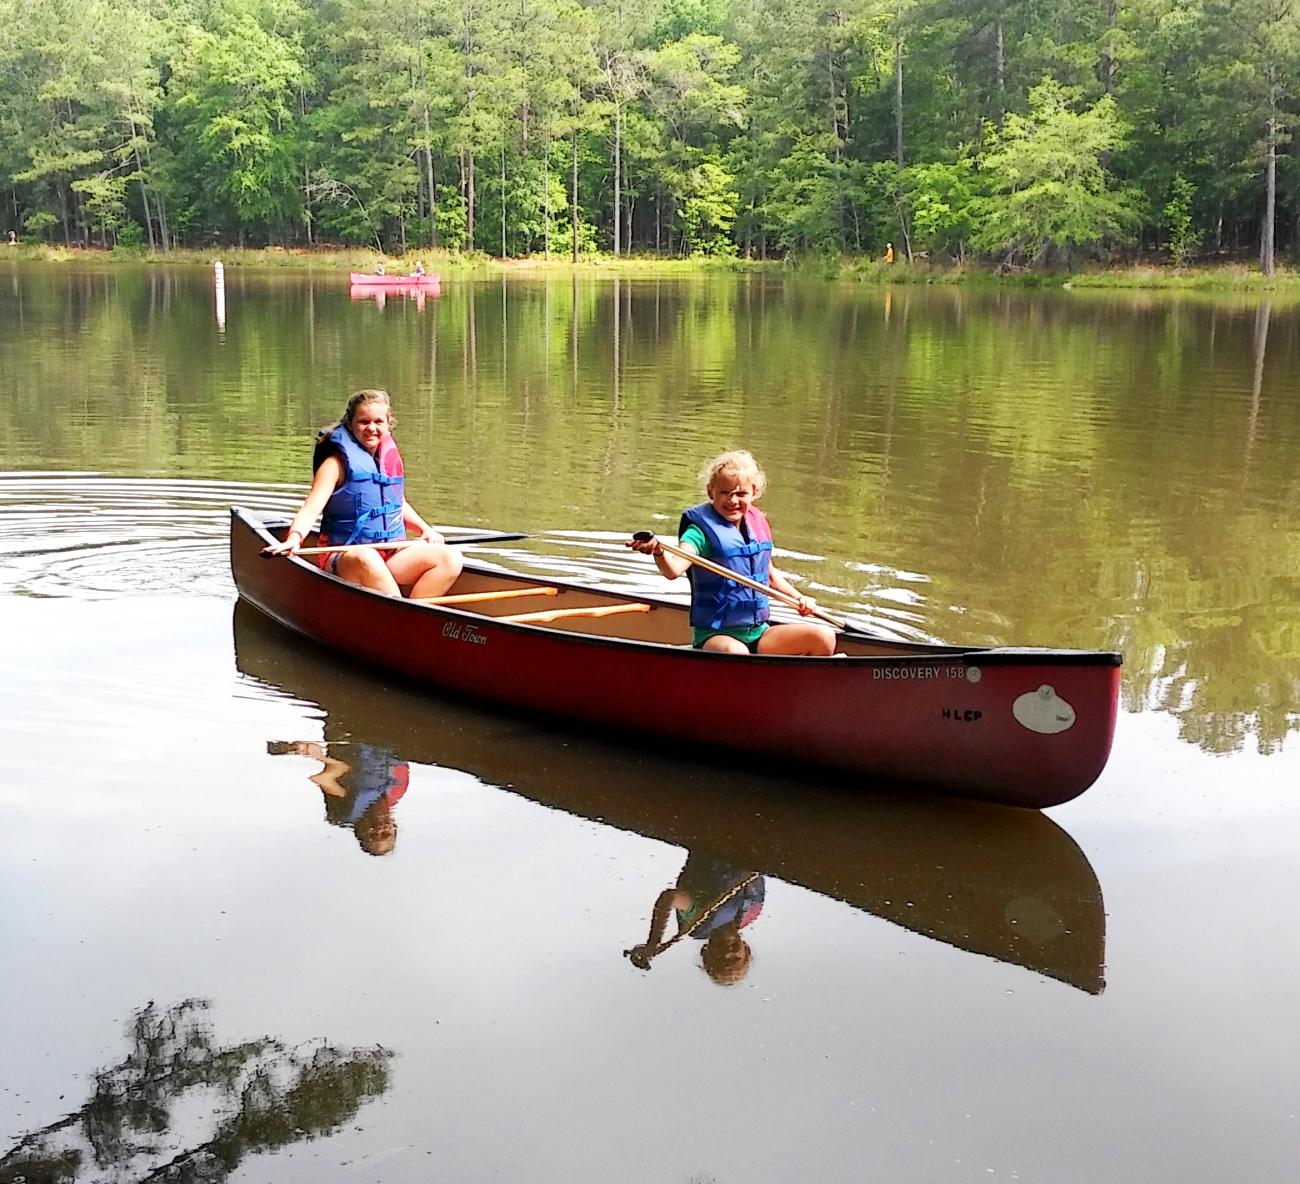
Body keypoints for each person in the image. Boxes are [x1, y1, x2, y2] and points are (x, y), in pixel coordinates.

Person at [627, 450, 835, 656]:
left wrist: (801, 599)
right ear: (711, 492)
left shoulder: (756, 524)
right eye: (724, 493)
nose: (733, 500)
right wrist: (658, 551)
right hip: (716, 636)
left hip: (759, 633)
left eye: (741, 494)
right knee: (736, 653)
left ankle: (791, 685)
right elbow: (673, 570)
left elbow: (770, 576)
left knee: (824, 636)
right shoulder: (699, 532)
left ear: (754, 493)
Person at [262, 388, 462, 599]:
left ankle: (417, 615)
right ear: (350, 424)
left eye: (378, 422)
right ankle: (401, 617)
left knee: (450, 558)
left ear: (388, 424)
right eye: (363, 422)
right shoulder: (335, 464)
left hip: (390, 552)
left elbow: (396, 502)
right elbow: (311, 508)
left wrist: (425, 530)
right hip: (346, 556)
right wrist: (295, 538)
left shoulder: (385, 461)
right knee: (366, 556)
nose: (371, 428)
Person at [625, 853, 766, 985]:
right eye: (735, 958)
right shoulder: (752, 912)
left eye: (720, 958)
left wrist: (654, 941)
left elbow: (670, 897)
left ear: (706, 950)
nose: (727, 953)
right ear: (746, 950)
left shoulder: (697, 920)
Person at [269, 740, 408, 856]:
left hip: (351, 736)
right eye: (385, 834)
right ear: (393, 827)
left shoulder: (346, 808)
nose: (378, 830)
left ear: (360, 829)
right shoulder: (398, 790)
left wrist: (308, 751)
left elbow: (324, 778)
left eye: (372, 835)